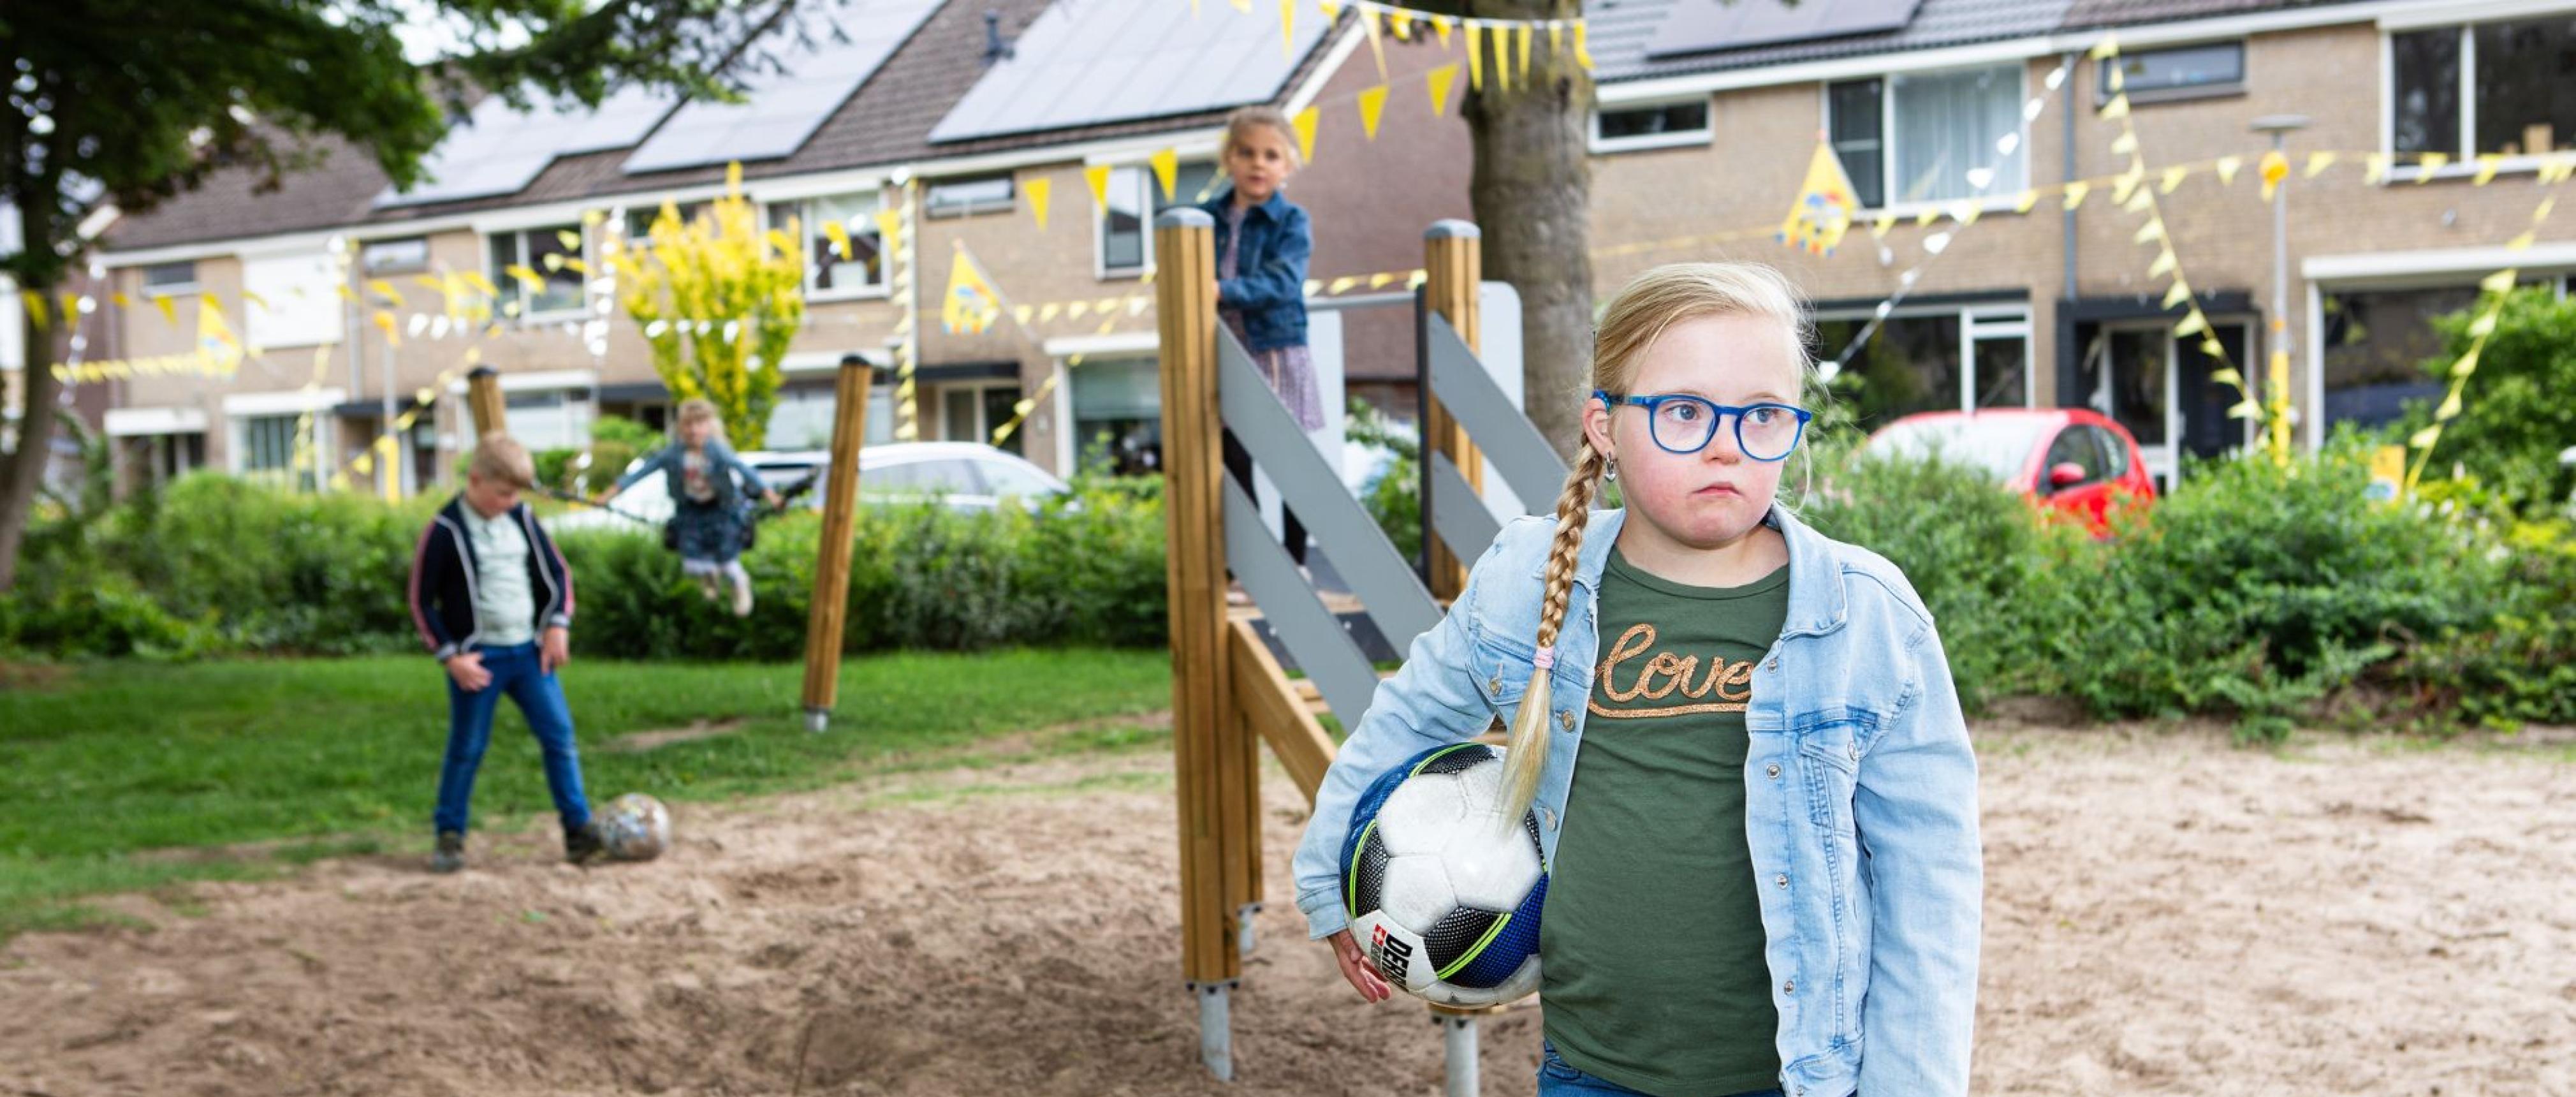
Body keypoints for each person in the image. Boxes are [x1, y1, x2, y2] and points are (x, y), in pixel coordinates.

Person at [1292, 263, 1983, 1097]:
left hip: (1794, 1078)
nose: (1727, 443)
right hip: (1593, 1070)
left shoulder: (1862, 616)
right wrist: (1328, 878)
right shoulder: (1529, 580)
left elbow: (1931, 887)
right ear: (1605, 428)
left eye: (1763, 415)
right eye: (1685, 412)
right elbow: (1401, 724)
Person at [408, 433, 602, 872]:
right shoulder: (445, 530)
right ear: (476, 480)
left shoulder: (523, 518)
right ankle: (450, 835)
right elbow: (421, 601)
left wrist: (557, 624)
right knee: (467, 747)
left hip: (531, 656)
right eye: (502, 493)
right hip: (480, 662)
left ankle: (578, 830)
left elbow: (557, 575)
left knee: (560, 738)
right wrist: (450, 656)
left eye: (515, 494)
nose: (509, 501)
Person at [1202, 104, 1322, 568]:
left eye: (1272, 155)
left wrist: (1221, 290)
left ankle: (1294, 564)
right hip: (1227, 350)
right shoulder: (1206, 219)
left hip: (1274, 349)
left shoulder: (1291, 222)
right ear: (1228, 159)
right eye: (1247, 153)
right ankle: (1250, 567)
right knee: (1234, 456)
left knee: (1285, 458)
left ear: (1288, 165)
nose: (1258, 163)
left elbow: (1283, 282)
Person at [599, 398, 782, 617]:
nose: (694, 430)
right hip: (690, 511)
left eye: (700, 424)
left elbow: (743, 469)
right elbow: (641, 473)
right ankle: (709, 575)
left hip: (720, 510)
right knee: (691, 564)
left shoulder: (717, 451)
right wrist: (609, 494)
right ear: (681, 427)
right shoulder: (673, 453)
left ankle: (739, 582)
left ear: (709, 426)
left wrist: (770, 494)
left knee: (727, 562)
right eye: (688, 424)